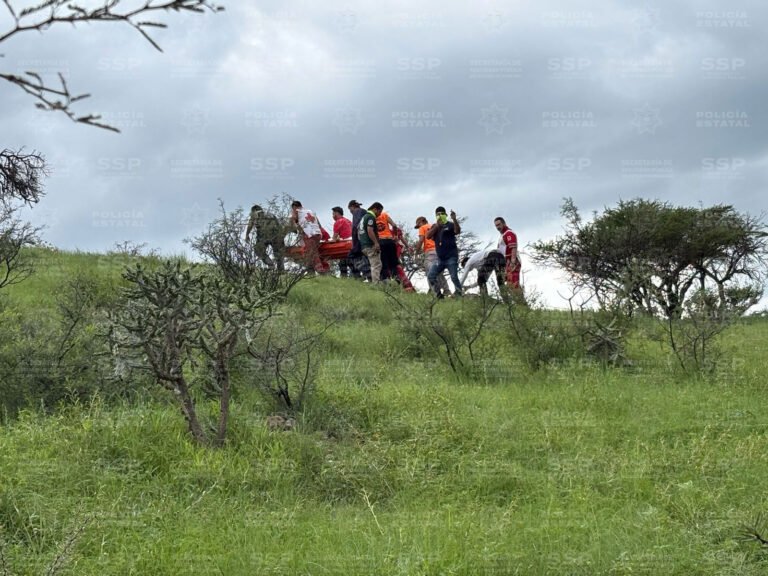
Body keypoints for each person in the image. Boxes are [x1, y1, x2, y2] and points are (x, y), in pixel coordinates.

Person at [426, 206, 462, 298]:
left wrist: (454, 219)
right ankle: (439, 295)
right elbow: (428, 236)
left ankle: (459, 294)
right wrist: (437, 226)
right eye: (438, 214)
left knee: (454, 277)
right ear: (435, 216)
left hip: (451, 257)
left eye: (442, 214)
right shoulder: (435, 226)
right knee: (431, 275)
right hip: (440, 259)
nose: (440, 216)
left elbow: (457, 231)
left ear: (445, 215)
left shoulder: (450, 224)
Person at [290, 200, 329, 274]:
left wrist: (293, 218)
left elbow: (294, 223)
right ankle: (310, 271)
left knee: (313, 253)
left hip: (309, 234)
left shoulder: (297, 211)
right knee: (309, 253)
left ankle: (320, 270)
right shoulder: (310, 211)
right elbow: (319, 224)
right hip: (317, 234)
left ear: (294, 207)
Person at [415, 215, 449, 296]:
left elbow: (421, 240)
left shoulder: (423, 228)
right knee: (439, 271)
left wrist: (416, 252)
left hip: (430, 252)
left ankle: (435, 292)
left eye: (418, 224)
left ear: (422, 221)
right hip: (440, 250)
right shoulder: (435, 226)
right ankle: (446, 289)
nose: (418, 227)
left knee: (429, 272)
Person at [244, 204, 285, 271]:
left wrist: (247, 235)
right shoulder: (271, 214)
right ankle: (281, 270)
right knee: (278, 253)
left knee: (258, 250)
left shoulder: (255, 213)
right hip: (276, 236)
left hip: (263, 236)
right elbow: (279, 225)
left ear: (254, 210)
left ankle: (270, 264)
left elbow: (250, 224)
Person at [359, 202, 383, 284]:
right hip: (370, 245)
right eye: (379, 212)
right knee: (376, 265)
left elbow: (358, 232)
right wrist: (376, 243)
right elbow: (370, 230)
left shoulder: (363, 217)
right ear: (375, 209)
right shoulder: (370, 217)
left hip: (363, 245)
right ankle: (375, 284)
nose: (379, 214)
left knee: (373, 264)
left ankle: (373, 282)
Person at [347, 199, 371, 280]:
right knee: (363, 257)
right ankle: (366, 274)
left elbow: (356, 226)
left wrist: (356, 239)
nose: (350, 211)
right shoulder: (365, 212)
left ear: (352, 207)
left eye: (350, 209)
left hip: (359, 240)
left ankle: (361, 274)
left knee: (352, 256)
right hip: (366, 239)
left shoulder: (357, 212)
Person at [494, 216, 521, 289]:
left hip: (512, 261)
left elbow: (513, 247)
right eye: (496, 225)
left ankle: (520, 300)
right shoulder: (502, 235)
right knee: (510, 285)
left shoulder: (509, 233)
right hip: (506, 262)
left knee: (514, 284)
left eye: (499, 224)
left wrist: (512, 262)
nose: (497, 227)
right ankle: (518, 300)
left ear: (504, 223)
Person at [375, 205, 400, 281]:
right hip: (389, 241)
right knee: (393, 263)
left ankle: (387, 281)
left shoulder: (373, 217)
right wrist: (395, 236)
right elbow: (394, 225)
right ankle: (396, 280)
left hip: (380, 241)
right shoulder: (385, 215)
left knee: (383, 263)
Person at [331, 206, 353, 277]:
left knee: (343, 263)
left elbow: (334, 238)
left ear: (336, 213)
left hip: (345, 246)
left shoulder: (338, 222)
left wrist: (332, 241)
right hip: (352, 243)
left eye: (333, 213)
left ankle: (344, 277)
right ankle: (356, 277)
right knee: (351, 263)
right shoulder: (348, 221)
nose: (332, 216)